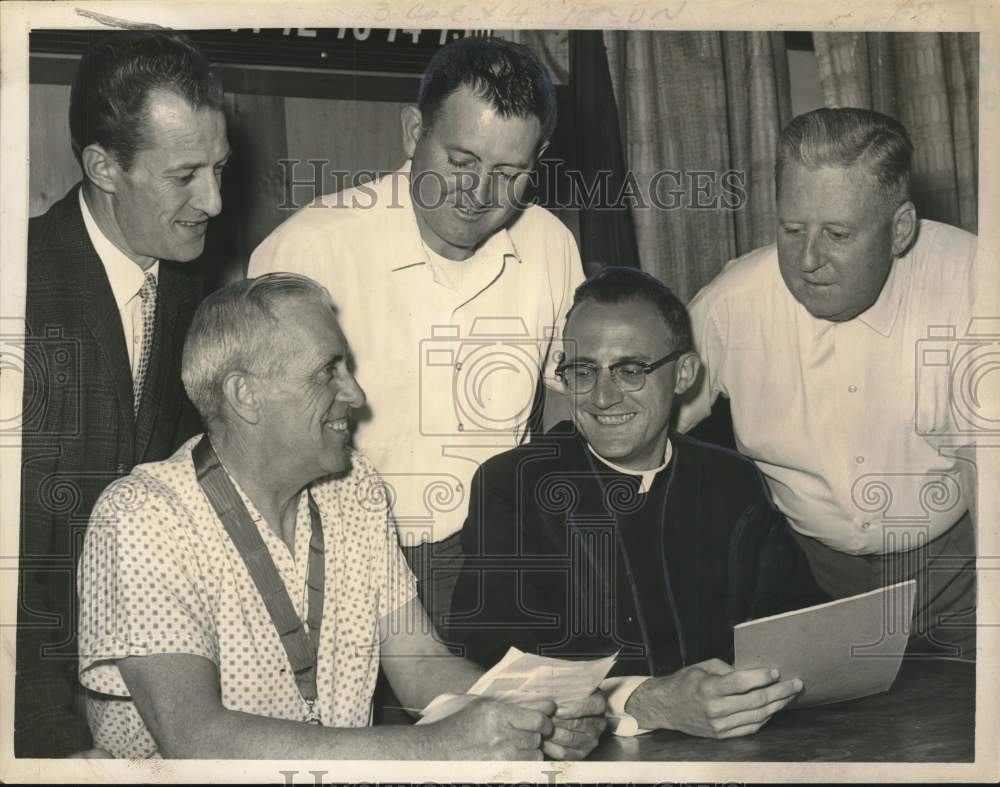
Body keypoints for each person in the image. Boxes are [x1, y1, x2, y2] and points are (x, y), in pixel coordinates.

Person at [75, 273, 605, 760]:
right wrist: (436, 749)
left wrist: (534, 716)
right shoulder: (141, 516)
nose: (356, 394)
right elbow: (197, 740)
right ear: (245, 394)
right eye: (328, 371)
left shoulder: (357, 488)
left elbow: (418, 659)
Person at [248, 37, 584, 633]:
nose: (478, 195)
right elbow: (255, 448)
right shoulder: (310, 249)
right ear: (412, 132)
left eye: (508, 173)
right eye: (461, 161)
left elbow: (566, 394)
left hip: (493, 553)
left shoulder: (550, 244)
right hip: (341, 555)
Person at [449, 267, 823, 739]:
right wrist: (640, 702)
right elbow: (491, 660)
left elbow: (795, 627)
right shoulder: (516, 485)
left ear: (684, 373)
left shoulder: (731, 480)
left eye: (631, 370)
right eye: (583, 371)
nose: (603, 397)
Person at [677, 107, 979, 659]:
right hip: (813, 580)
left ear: (900, 229)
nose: (808, 259)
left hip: (962, 575)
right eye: (792, 230)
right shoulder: (733, 304)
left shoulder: (975, 284)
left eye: (837, 234)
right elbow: (640, 416)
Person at [16, 30, 229, 757]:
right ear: (104, 167)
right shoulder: (19, 292)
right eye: (186, 176)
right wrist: (42, 741)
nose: (215, 200)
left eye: (220, 168)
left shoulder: (193, 282)